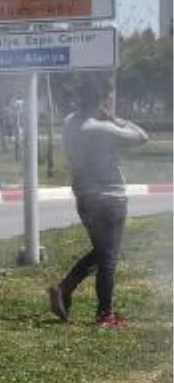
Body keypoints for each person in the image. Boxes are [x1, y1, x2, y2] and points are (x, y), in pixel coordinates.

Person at [47, 78, 148, 329]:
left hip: (85, 198)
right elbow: (142, 137)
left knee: (103, 252)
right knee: (108, 258)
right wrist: (114, 118)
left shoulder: (71, 123)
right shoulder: (100, 128)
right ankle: (104, 313)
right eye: (108, 100)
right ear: (100, 102)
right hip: (109, 199)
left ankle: (64, 289)